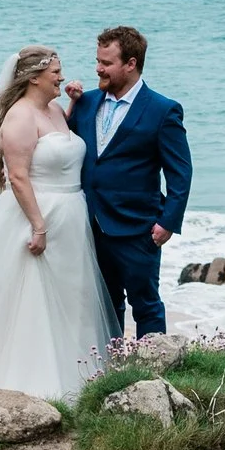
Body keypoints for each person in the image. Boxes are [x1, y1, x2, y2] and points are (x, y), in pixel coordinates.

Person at [0, 46, 113, 397]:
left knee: (67, 299)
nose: (62, 77)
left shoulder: (52, 109)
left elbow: (59, 151)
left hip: (70, 217)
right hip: (37, 217)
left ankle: (73, 375)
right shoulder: (19, 116)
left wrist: (73, 105)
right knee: (31, 300)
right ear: (33, 77)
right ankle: (33, 381)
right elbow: (18, 177)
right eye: (55, 71)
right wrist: (38, 226)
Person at [69, 25, 191, 339]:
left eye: (106, 63)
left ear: (131, 64)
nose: (98, 68)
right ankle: (108, 371)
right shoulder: (86, 102)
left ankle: (155, 369)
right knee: (104, 305)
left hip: (138, 227)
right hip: (91, 224)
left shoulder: (163, 110)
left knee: (146, 304)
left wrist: (168, 222)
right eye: (97, 60)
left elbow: (180, 172)